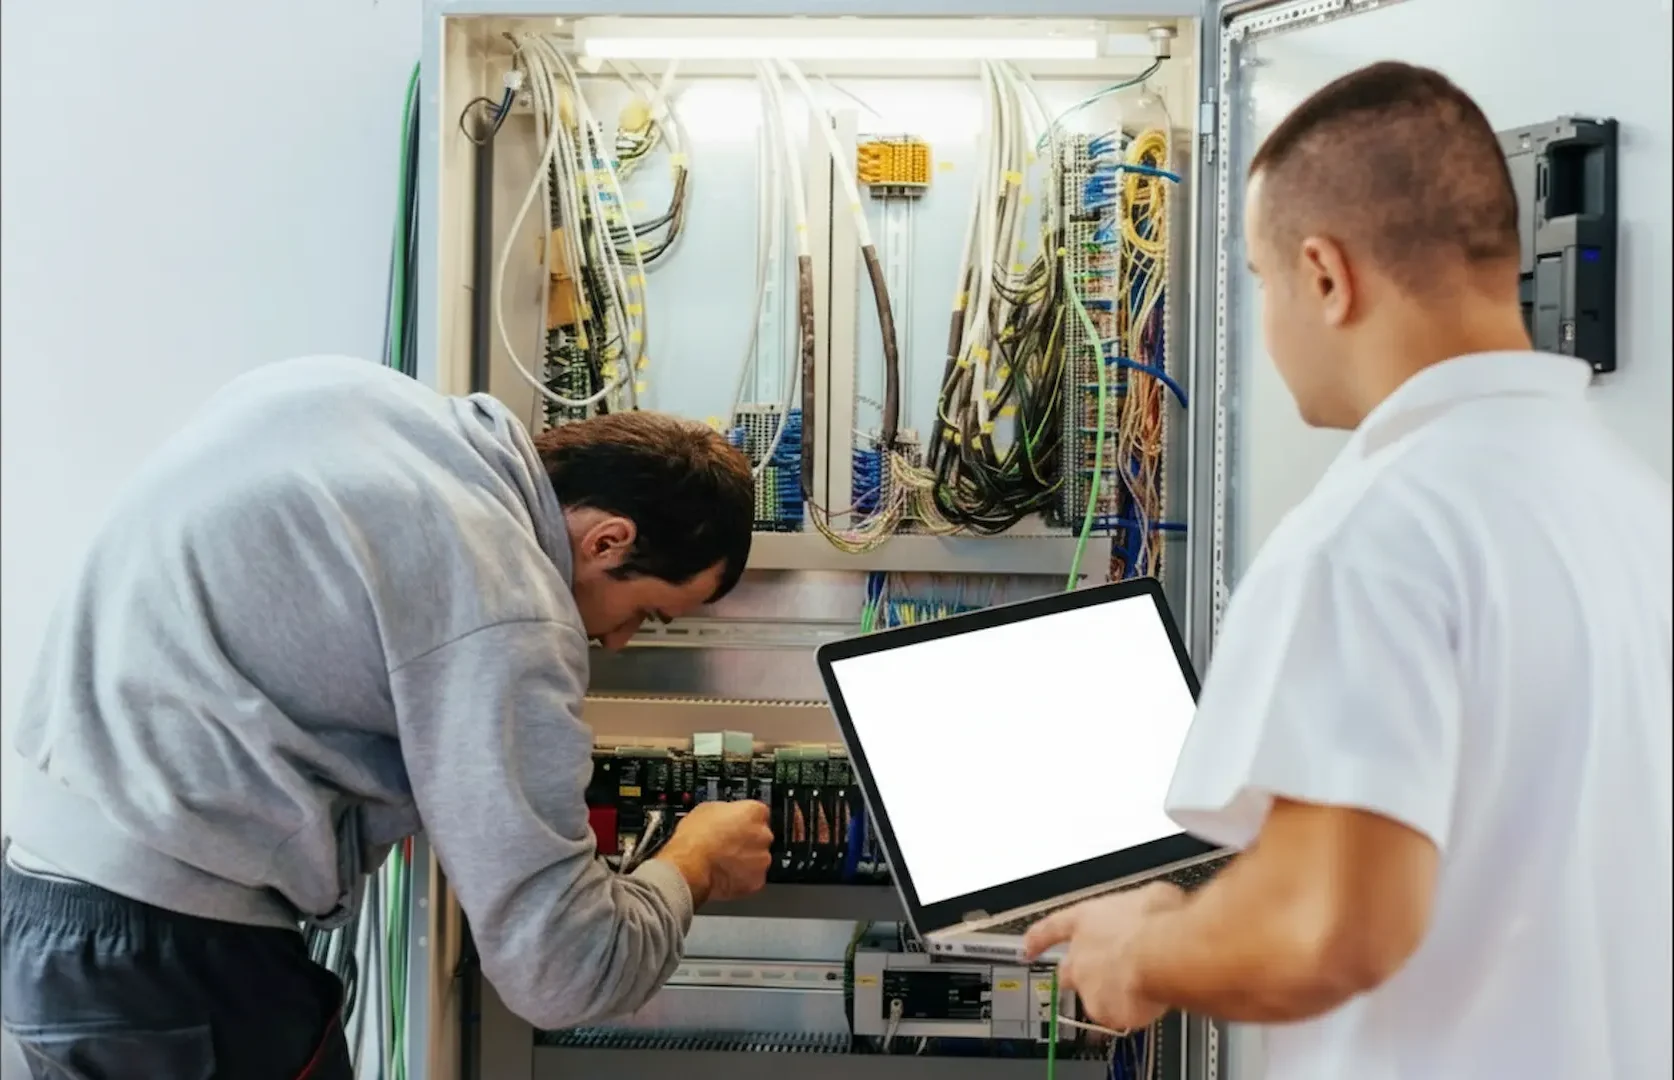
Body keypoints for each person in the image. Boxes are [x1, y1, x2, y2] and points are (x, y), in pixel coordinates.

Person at [1025, 61, 1672, 1078]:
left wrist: (1141, 952)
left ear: (1325, 275)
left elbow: (1329, 925)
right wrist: (1203, 911)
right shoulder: (1633, 504)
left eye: (1259, 280)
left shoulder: (1376, 528)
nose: (1268, 321)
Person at [0, 356, 776, 1079]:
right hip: (172, 960)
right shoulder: (506, 599)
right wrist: (691, 864)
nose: (615, 640)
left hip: (46, 908)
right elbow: (562, 972)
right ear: (609, 540)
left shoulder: (354, 398)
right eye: (645, 612)